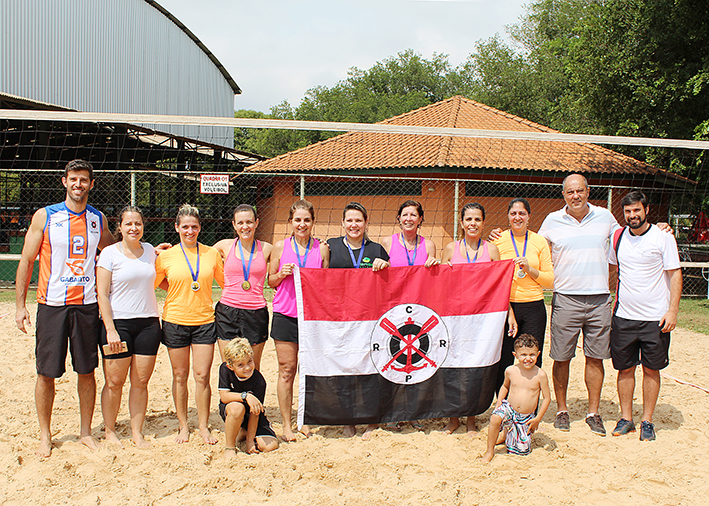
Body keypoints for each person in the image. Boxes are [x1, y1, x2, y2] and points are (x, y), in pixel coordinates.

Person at [15, 159, 114, 458]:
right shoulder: (45, 216)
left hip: (86, 306)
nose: (78, 184)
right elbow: (26, 261)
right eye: (73, 179)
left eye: (84, 180)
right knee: (46, 374)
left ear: (91, 184)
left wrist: (149, 251)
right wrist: (20, 306)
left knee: (87, 371)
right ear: (64, 181)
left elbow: (114, 251)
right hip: (52, 305)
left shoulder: (98, 219)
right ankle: (45, 435)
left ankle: (85, 432)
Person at [608, 191, 681, 441]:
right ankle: (626, 418)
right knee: (625, 369)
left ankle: (647, 420)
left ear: (646, 210)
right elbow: (614, 270)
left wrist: (672, 310)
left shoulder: (663, 237)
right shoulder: (618, 238)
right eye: (628, 212)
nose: (632, 216)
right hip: (624, 317)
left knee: (651, 370)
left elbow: (675, 274)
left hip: (655, 318)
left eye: (637, 210)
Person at [440, 202, 517, 436]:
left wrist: (510, 314)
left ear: (483, 223)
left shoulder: (491, 250)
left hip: (482, 320)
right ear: (461, 223)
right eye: (469, 219)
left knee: (476, 367)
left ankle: (471, 418)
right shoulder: (450, 248)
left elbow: (501, 287)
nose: (473, 223)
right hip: (455, 318)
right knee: (453, 367)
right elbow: (439, 285)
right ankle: (454, 419)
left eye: (477, 219)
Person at [155, 204, 224, 444]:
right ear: (176, 228)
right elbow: (155, 282)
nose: (190, 231)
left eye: (194, 226)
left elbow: (227, 283)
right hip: (175, 320)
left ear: (200, 228)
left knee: (202, 375)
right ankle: (183, 425)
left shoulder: (211, 254)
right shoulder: (165, 256)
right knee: (180, 375)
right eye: (185, 226)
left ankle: (204, 425)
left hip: (205, 321)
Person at [96, 206, 161, 449]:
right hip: (118, 324)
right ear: (120, 227)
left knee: (140, 382)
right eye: (129, 224)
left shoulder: (150, 252)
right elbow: (102, 295)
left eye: (138, 224)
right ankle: (110, 430)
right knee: (114, 381)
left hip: (148, 324)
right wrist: (110, 329)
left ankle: (136, 431)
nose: (134, 228)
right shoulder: (109, 254)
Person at [327, 201, 390, 440]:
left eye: (359, 220)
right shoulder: (330, 247)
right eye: (350, 220)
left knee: (370, 367)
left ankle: (371, 419)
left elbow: (391, 284)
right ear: (342, 223)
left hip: (369, 320)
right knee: (344, 368)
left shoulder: (376, 250)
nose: (354, 225)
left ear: (366, 223)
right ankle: (348, 419)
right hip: (339, 320)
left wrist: (386, 266)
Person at [269, 200, 329, 442]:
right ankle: (286, 424)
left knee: (308, 370)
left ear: (313, 222)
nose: (302, 224)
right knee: (286, 370)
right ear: (290, 222)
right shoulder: (280, 247)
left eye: (306, 220)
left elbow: (326, 283)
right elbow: (270, 281)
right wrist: (281, 274)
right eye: (297, 220)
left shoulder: (321, 249)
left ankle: (304, 420)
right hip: (286, 314)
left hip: (312, 318)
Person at [380, 200, 437, 431]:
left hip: (420, 311)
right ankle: (392, 413)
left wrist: (436, 264)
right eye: (405, 214)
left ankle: (414, 413)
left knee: (418, 362)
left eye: (414, 215)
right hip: (394, 311)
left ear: (420, 219)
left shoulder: (429, 244)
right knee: (393, 361)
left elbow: (434, 277)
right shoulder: (386, 242)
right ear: (399, 218)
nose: (409, 218)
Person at [492, 198, 553, 392]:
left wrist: (529, 269)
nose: (517, 217)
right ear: (508, 217)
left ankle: (529, 406)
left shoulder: (538, 241)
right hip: (506, 306)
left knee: (531, 357)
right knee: (504, 357)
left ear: (528, 217)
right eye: (513, 213)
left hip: (533, 305)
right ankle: (504, 405)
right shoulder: (498, 240)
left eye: (522, 213)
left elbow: (550, 280)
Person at [213, 204, 273, 369]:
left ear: (256, 223)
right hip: (227, 312)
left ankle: (252, 396)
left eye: (249, 222)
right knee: (229, 366)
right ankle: (229, 396)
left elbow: (291, 256)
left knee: (252, 366)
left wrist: (318, 246)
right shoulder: (224, 246)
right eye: (240, 223)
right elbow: (197, 256)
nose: (245, 226)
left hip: (256, 314)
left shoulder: (267, 248)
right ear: (234, 224)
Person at [482, 334, 551, 462]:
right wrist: (499, 402)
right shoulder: (510, 370)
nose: (528, 358)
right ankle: (490, 450)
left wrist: (538, 419)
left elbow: (547, 398)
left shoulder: (540, 375)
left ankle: (507, 433)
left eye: (532, 355)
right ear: (516, 355)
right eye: (523, 355)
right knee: (495, 418)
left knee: (521, 451)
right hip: (509, 408)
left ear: (538, 354)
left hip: (525, 416)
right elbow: (505, 387)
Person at [219, 338, 279, 457]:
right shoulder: (225, 369)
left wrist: (250, 441)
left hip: (251, 414)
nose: (247, 368)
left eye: (250, 362)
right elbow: (224, 397)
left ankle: (245, 433)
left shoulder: (259, 381)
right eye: (240, 365)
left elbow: (255, 412)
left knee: (269, 446)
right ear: (231, 366)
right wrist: (246, 396)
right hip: (232, 409)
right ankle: (230, 447)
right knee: (237, 408)